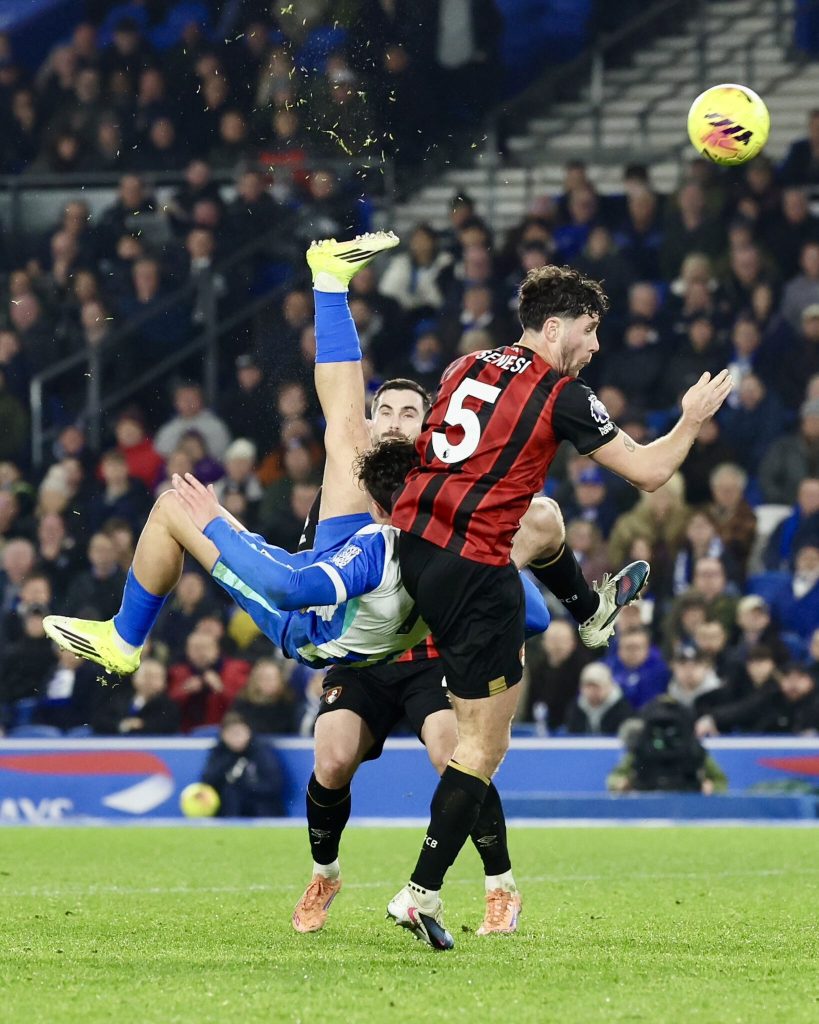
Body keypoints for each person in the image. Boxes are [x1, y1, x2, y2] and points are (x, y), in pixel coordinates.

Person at [387, 261, 731, 949]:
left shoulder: (462, 365)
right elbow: (650, 472)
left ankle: (591, 610)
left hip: (413, 548)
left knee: (541, 516)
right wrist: (690, 421)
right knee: (484, 744)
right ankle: (418, 892)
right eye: (588, 330)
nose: (594, 346)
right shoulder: (560, 393)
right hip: (474, 572)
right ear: (553, 327)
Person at [200, 712, 285, 817]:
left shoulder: (261, 751)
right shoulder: (220, 752)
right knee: (231, 794)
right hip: (227, 808)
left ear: (248, 731)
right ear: (223, 735)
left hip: (259, 808)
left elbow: (274, 785)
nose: (236, 738)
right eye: (231, 734)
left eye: (239, 733)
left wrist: (245, 785)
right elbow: (206, 782)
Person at [565, 661, 632, 736]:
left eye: (596, 687)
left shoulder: (622, 709)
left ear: (608, 686)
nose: (592, 691)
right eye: (588, 686)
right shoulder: (576, 708)